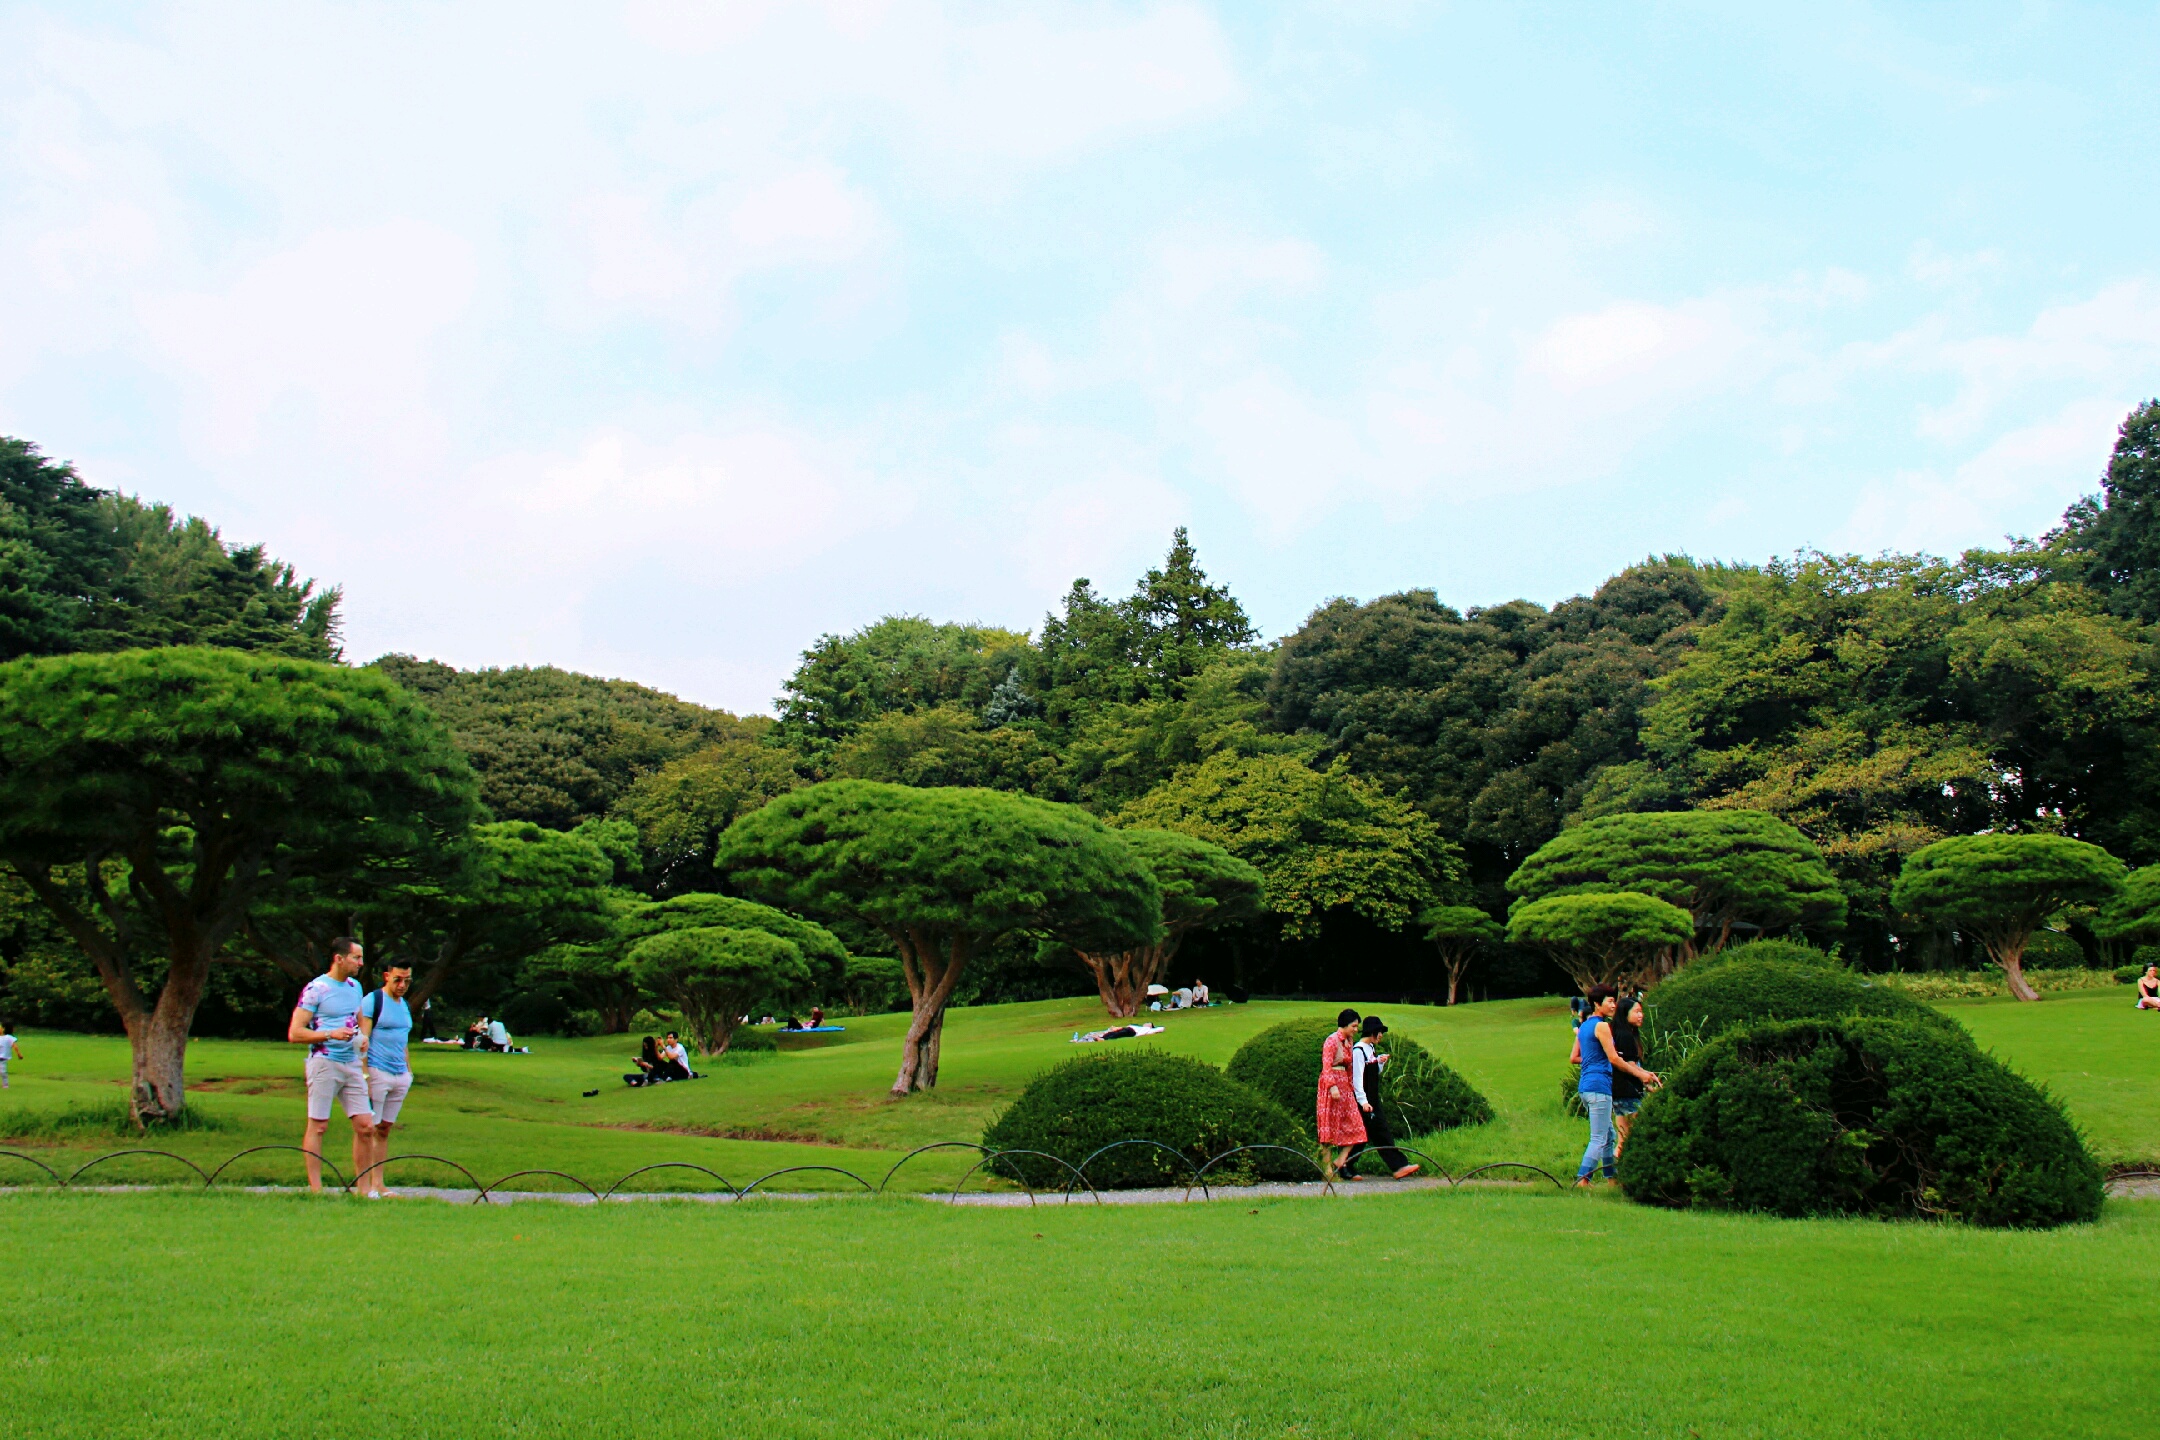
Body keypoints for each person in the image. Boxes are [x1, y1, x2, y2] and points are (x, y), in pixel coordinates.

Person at [288, 937, 375, 1194]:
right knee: (319, 1125)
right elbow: (295, 1033)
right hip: (324, 1062)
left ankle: (364, 1190)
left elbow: (358, 1019)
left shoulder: (355, 987)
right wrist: (330, 1034)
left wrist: (363, 1039)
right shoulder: (317, 989)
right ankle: (316, 1189)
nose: (361, 963)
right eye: (356, 958)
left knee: (366, 1126)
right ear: (339, 958)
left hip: (351, 1063)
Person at [1572, 986, 1659, 1188]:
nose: (1613, 1005)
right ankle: (1582, 1180)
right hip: (1600, 1086)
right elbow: (1614, 1059)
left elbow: (1574, 1057)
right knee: (1599, 1138)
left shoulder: (1584, 1026)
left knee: (1610, 1135)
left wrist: (1597, 1059)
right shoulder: (1602, 1026)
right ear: (1597, 1004)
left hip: (1586, 1086)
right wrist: (1642, 1074)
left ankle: (1611, 1178)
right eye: (1609, 1001)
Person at [357, 963, 415, 1198]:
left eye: (407, 981)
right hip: (377, 1070)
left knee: (384, 1129)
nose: (402, 986)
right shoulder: (373, 1001)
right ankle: (366, 1185)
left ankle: (379, 1183)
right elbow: (363, 1038)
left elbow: (403, 1040)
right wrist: (365, 1074)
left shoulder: (405, 1006)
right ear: (387, 976)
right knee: (369, 1128)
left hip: (400, 1074)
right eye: (398, 980)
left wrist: (409, 1071)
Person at [1343, 1015, 1420, 1180]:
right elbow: (1357, 1079)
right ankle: (1398, 1166)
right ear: (1373, 1032)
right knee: (1375, 1133)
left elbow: (1373, 1074)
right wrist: (1363, 1102)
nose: (1381, 1036)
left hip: (1372, 1099)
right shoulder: (1358, 1051)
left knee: (1365, 1135)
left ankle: (1345, 1164)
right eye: (1379, 1032)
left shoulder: (1370, 1049)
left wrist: (1380, 1062)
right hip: (1364, 1101)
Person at [1316, 1008, 1367, 1179]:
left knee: (1356, 1125)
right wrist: (1332, 1086)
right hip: (1332, 1085)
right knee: (1329, 1126)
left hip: (1344, 1084)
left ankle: (1341, 1159)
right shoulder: (1331, 1041)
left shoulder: (1349, 1041)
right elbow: (1326, 1065)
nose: (1355, 1029)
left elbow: (1350, 1066)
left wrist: (1351, 1086)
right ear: (1344, 1025)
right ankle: (1327, 1167)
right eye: (1353, 1026)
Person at [1609, 994, 1648, 1162]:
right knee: (1636, 1135)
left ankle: (1615, 1172)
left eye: (1641, 1012)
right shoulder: (1625, 1036)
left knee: (1623, 1138)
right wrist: (1646, 1078)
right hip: (1628, 1091)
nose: (1641, 1015)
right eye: (1637, 1012)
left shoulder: (1619, 1033)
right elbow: (1630, 1066)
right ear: (1625, 1014)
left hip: (1619, 1092)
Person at [0, 1022, 18, 1089]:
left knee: (3, 1071)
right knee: (2, 1071)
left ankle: (5, 1084)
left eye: (1, 1028)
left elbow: (15, 1046)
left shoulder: (8, 1037)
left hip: (2, 1058)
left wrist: (19, 1054)